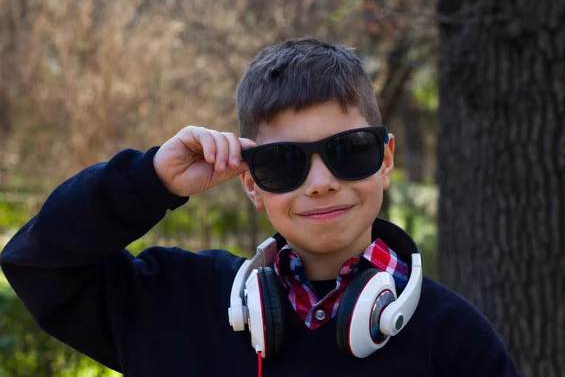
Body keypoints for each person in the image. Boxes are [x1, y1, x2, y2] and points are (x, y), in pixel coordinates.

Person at [0, 37, 521, 377]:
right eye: (283, 164)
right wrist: (149, 179)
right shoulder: (175, 303)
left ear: (385, 159)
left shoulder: (456, 340)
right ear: (251, 183)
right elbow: (39, 264)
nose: (319, 184)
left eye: (349, 151)